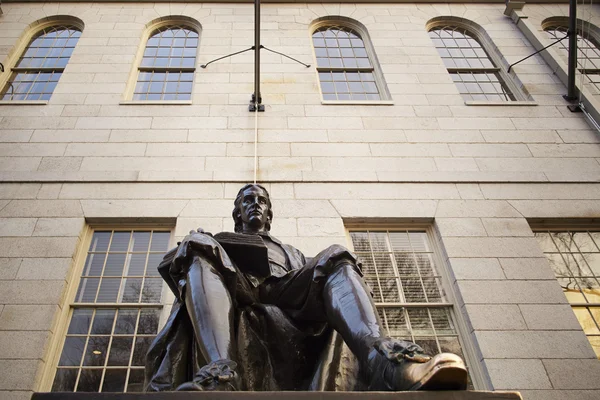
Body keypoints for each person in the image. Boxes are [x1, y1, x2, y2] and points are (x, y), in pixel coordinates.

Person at [145, 184, 467, 392]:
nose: (254, 204)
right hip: (239, 289)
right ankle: (221, 372)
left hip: (287, 292)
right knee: (197, 243)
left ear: (269, 213)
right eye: (247, 200)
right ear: (237, 212)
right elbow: (191, 268)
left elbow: (306, 280)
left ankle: (382, 357)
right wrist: (203, 242)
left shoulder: (292, 251)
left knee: (337, 255)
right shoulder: (218, 241)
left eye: (261, 201)